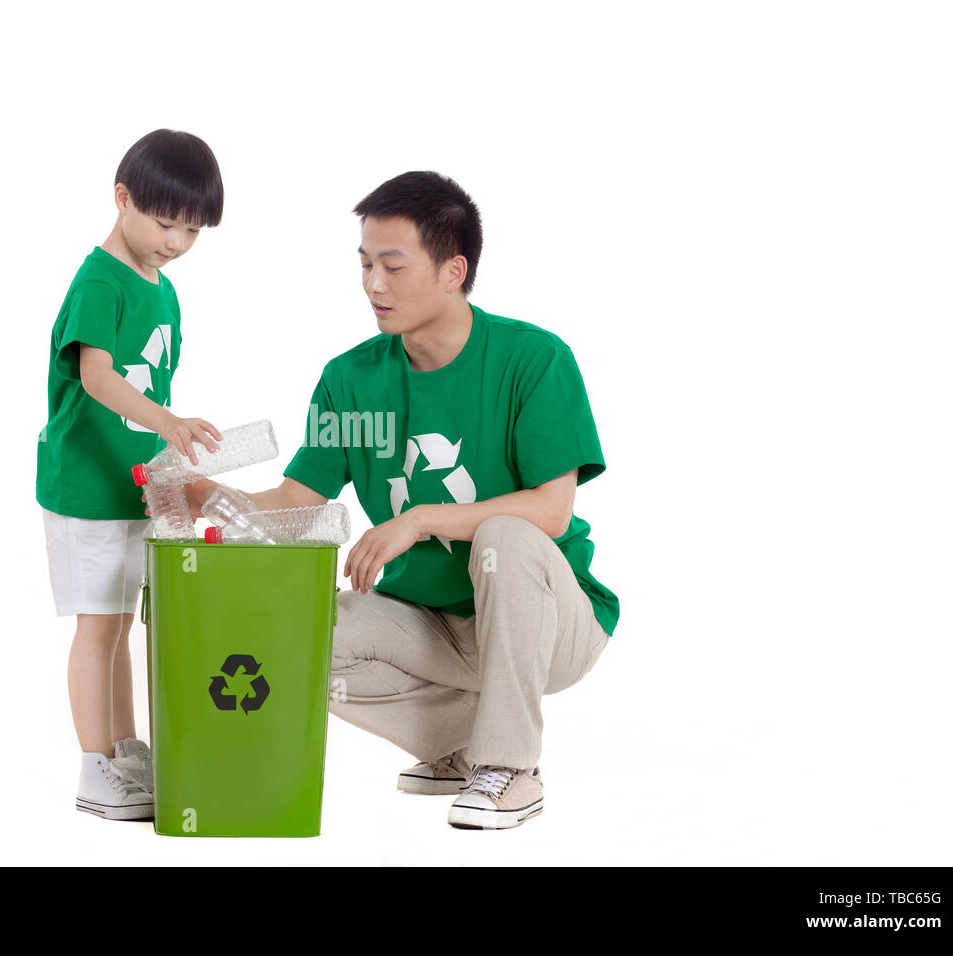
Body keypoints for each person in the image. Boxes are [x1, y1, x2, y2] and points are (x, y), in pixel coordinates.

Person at [187, 170, 619, 830]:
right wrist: (215, 500)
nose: (373, 284)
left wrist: (417, 520)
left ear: (453, 270)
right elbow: (298, 496)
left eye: (393, 265)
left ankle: (512, 766)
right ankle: (464, 749)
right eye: (365, 264)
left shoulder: (533, 360)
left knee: (505, 536)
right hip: (432, 626)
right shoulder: (350, 380)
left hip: (549, 622)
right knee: (301, 634)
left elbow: (550, 512)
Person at [36, 129, 224, 821]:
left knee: (119, 627)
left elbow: (146, 391)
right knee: (97, 627)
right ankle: (94, 767)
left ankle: (122, 746)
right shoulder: (100, 281)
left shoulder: (161, 288)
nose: (176, 241)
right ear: (123, 199)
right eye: (164, 222)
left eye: (193, 230)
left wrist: (169, 461)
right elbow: (96, 376)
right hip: (85, 489)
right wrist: (169, 420)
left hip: (128, 487)